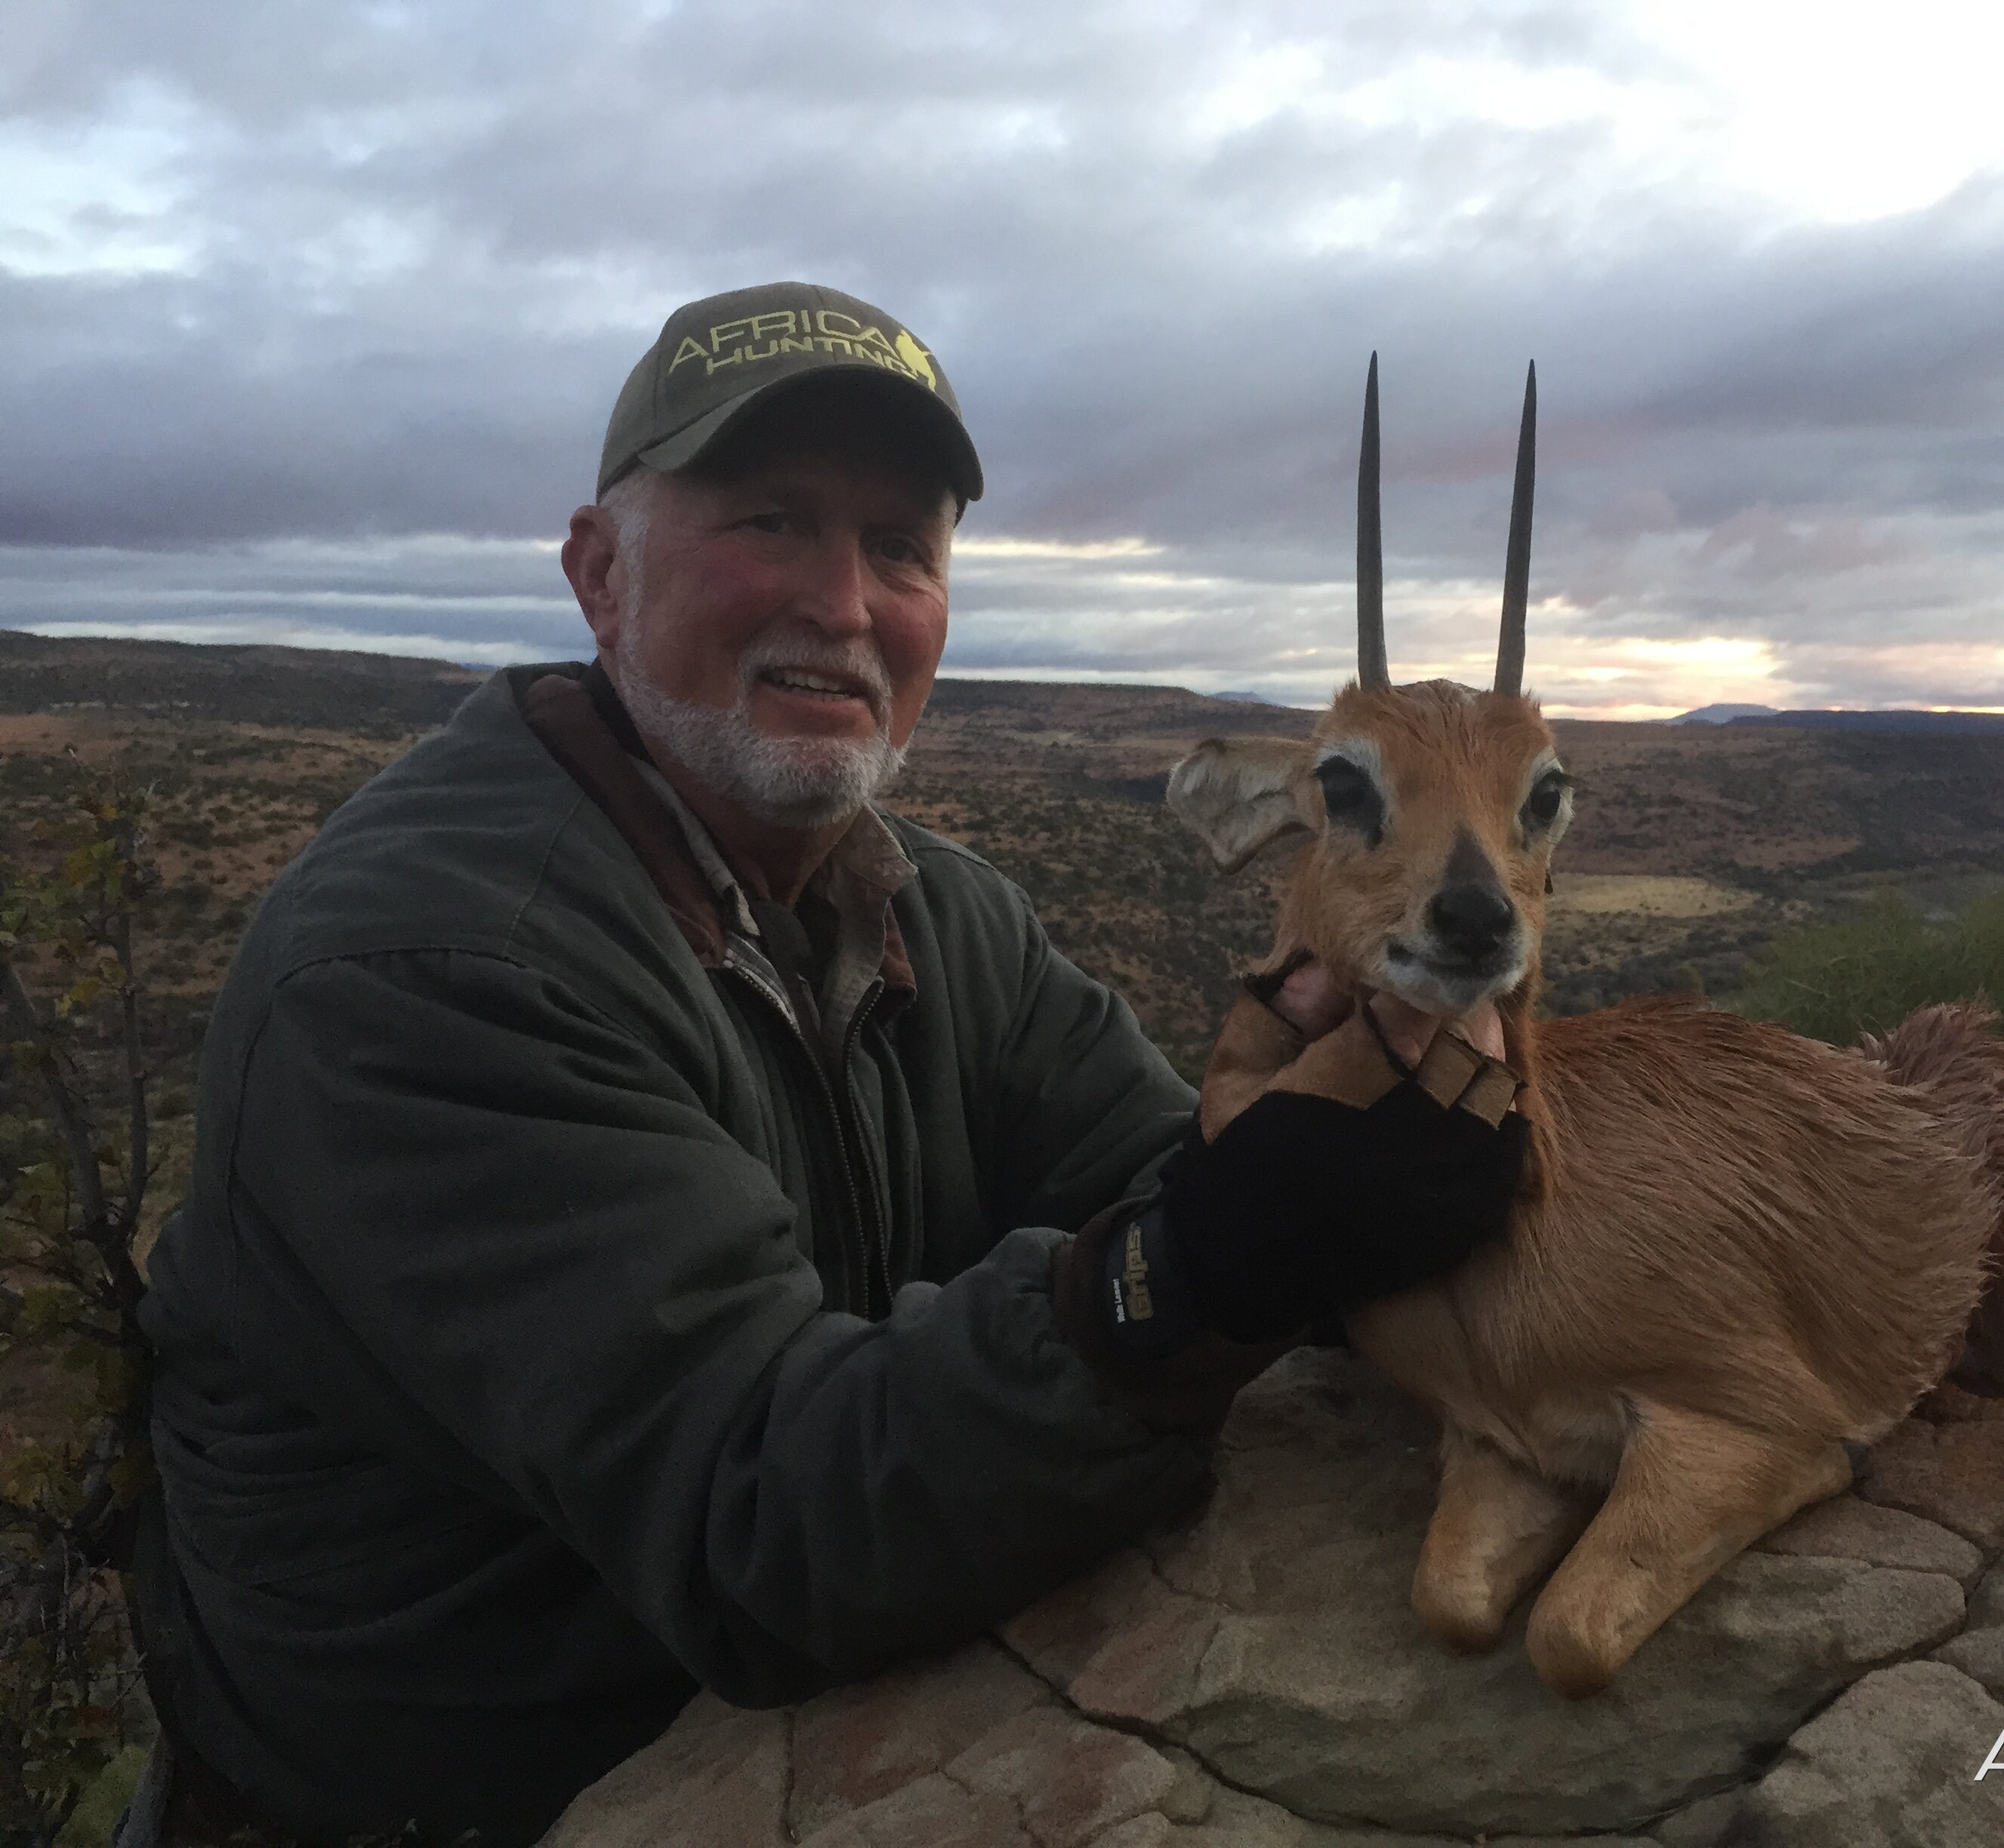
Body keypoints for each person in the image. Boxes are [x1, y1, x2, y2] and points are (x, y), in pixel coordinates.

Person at [128, 282, 1526, 1846]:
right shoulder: (425, 979)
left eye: (902, 550)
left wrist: (1327, 1131)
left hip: (804, 1740)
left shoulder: (938, 912)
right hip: (479, 1805)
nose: (845, 603)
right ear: (599, 574)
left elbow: (1173, 1172)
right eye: (772, 522)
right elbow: (761, 1526)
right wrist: (1192, 1268)